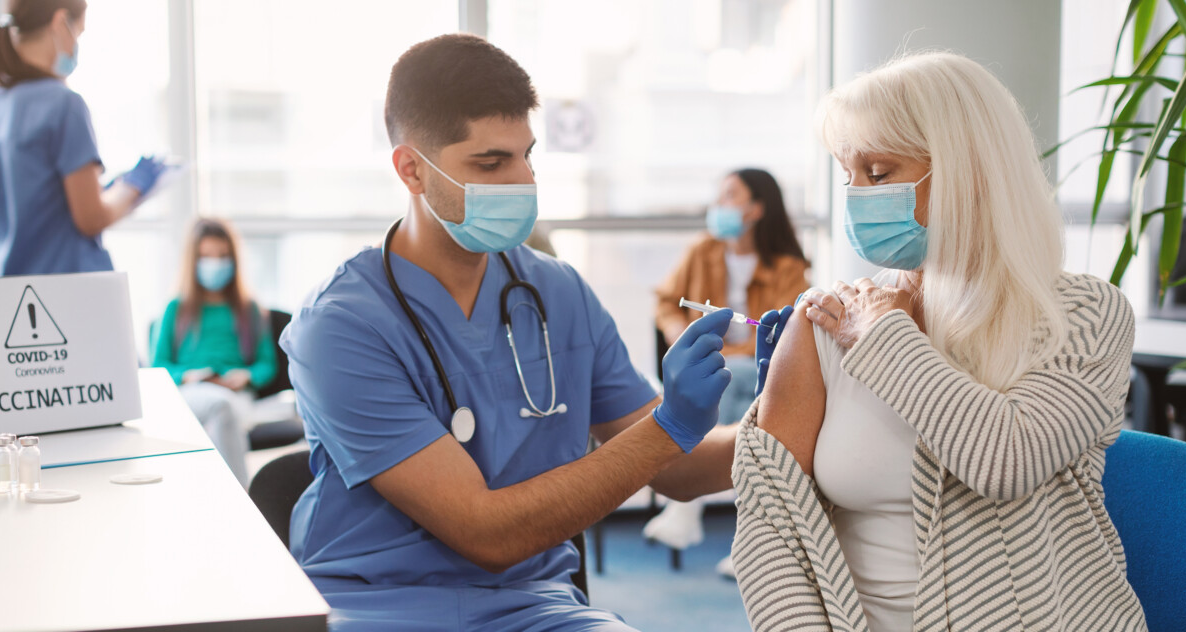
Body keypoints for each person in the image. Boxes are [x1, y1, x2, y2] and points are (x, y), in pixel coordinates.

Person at [280, 34, 741, 631]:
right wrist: (669, 427)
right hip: (375, 609)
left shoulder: (559, 293)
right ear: (412, 169)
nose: (523, 181)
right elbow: (486, 532)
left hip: (535, 607)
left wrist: (795, 404)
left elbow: (676, 469)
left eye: (528, 155)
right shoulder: (339, 327)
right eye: (492, 163)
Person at [731, 52, 1147, 631]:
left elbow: (1007, 460)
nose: (857, 196)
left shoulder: (1082, 313)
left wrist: (884, 338)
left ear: (970, 172)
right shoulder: (825, 319)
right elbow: (768, 520)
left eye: (878, 173)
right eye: (847, 175)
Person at [645, 168, 808, 570]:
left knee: (734, 373)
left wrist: (718, 348)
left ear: (756, 208)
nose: (719, 205)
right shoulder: (703, 251)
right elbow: (668, 303)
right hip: (715, 364)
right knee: (731, 380)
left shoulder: (788, 267)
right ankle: (750, 539)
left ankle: (686, 505)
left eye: (730, 196)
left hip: (755, 369)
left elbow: (780, 337)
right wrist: (680, 335)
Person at [0, 0, 167, 276]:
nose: (76, 45)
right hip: (66, 293)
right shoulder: (64, 105)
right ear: (60, 21)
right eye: (79, 33)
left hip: (10, 294)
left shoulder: (2, 103)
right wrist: (135, 186)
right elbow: (91, 218)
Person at [151, 218, 275, 486]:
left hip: (236, 392)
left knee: (224, 412)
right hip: (192, 393)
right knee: (219, 408)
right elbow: (158, 367)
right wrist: (188, 376)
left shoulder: (250, 310)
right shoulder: (176, 308)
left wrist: (247, 376)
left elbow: (267, 365)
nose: (215, 264)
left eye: (222, 256)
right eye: (206, 256)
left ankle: (225, 493)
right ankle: (241, 494)